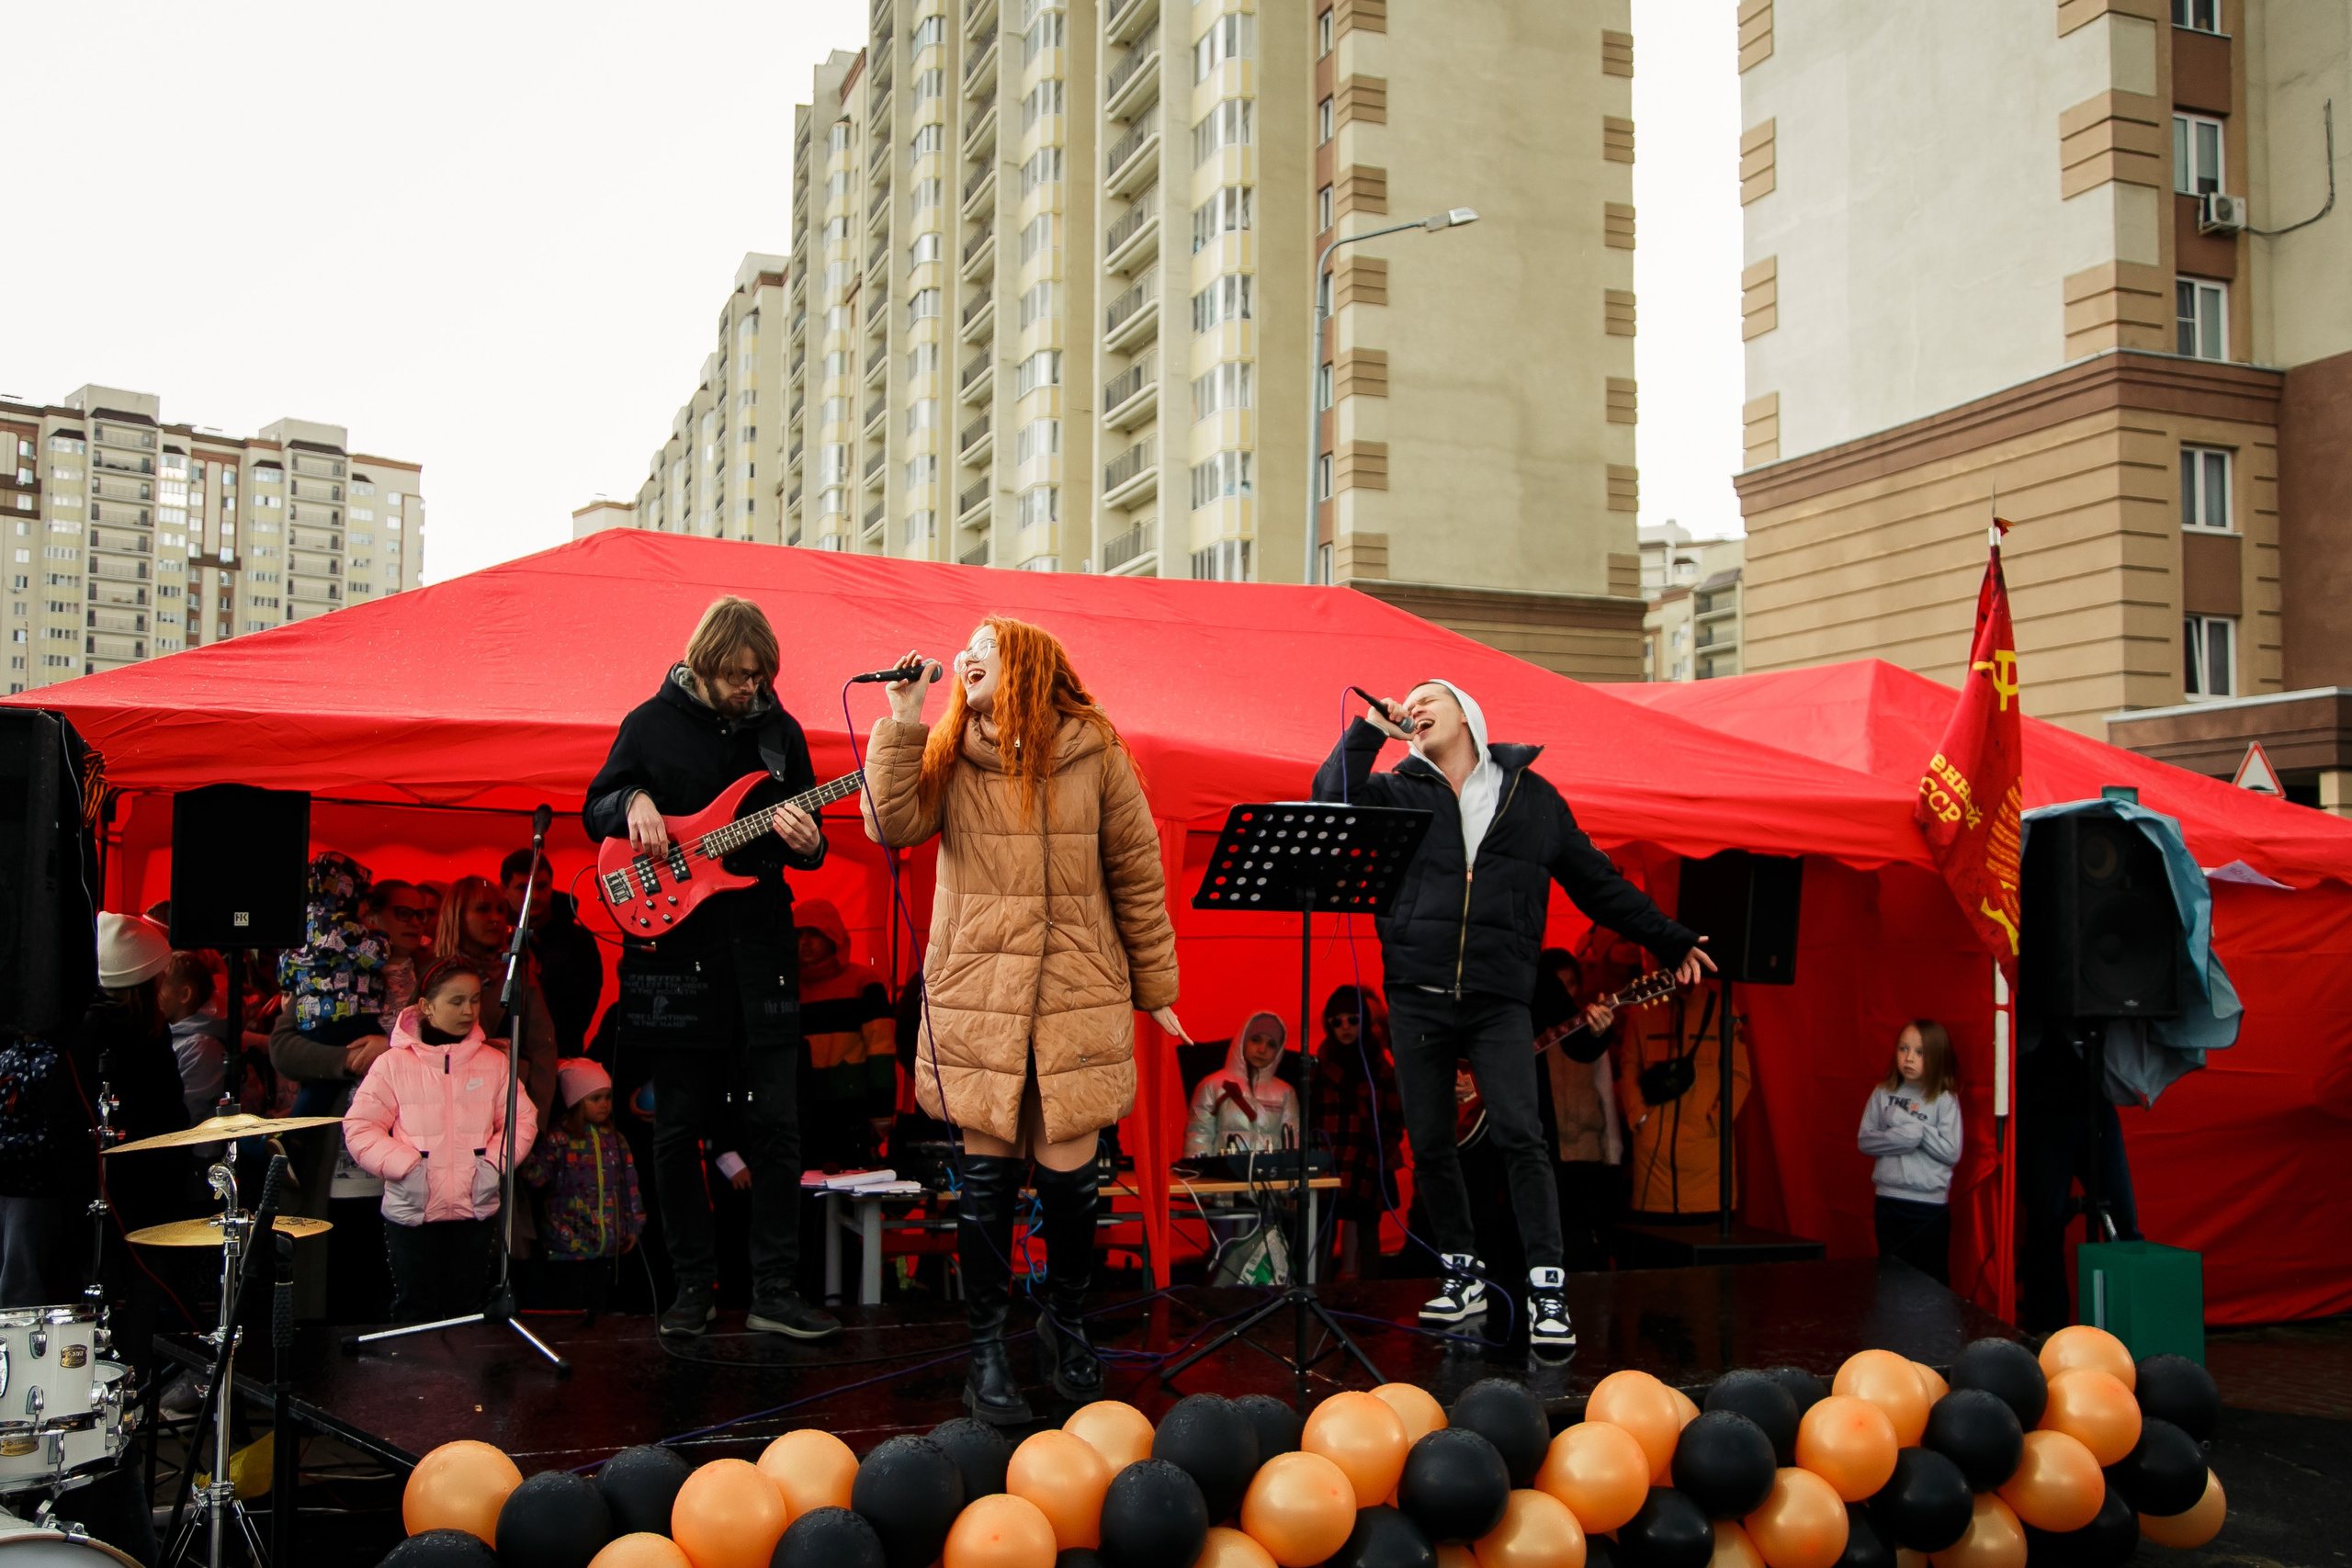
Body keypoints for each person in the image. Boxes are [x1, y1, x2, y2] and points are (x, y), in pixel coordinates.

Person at [1314, 680, 1712, 1352]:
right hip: (1416, 990)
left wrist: (1670, 939)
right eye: (1409, 699)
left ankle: (1547, 1289)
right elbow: (1329, 806)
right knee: (1431, 1142)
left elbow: (1597, 883)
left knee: (1522, 1137)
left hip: (1499, 995)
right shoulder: (1398, 790)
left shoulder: (1532, 797)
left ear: (1468, 713)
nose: (1416, 705)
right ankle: (1461, 1274)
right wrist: (1369, 732)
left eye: (1429, 697)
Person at [862, 617, 1183, 1423]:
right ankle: (985, 1350)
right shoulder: (947, 749)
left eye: (985, 646)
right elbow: (890, 825)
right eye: (965, 646)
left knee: (1073, 1182)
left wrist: (1155, 983)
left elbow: (1136, 870)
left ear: (1029, 664)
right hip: (980, 990)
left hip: (1077, 987)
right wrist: (904, 718)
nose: (965, 655)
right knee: (987, 1183)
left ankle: (1064, 1321)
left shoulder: (1097, 750)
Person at [583, 595, 837, 1341]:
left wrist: (810, 843)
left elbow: (811, 835)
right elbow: (596, 805)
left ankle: (775, 1288)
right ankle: (691, 1287)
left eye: (759, 677)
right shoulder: (648, 724)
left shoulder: (782, 733)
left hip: (762, 950)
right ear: (702, 663)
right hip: (675, 952)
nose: (748, 689)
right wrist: (632, 800)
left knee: (778, 1125)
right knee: (678, 1126)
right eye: (736, 676)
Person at [344, 960, 537, 1323]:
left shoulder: (494, 1063)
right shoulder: (392, 1064)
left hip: (474, 1208)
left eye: (475, 1000)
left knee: (466, 1311)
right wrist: (407, 1167)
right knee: (414, 1311)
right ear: (426, 1006)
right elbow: (360, 1127)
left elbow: (521, 1120)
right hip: (412, 1211)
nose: (469, 1010)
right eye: (456, 1001)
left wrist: (491, 1164)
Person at [519, 1057, 645, 1320]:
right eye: (595, 1098)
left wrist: (633, 1224)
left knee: (598, 1304)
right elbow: (536, 1177)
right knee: (570, 1307)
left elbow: (629, 1185)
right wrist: (524, 1150)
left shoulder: (616, 1139)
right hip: (567, 1244)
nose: (604, 1105)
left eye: (607, 1097)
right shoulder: (559, 1138)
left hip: (605, 1242)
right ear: (576, 1101)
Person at [435, 874, 560, 1136]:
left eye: (501, 910)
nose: (495, 918)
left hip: (506, 1116)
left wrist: (534, 1122)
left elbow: (543, 1048)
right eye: (483, 909)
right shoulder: (432, 972)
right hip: (443, 1114)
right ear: (457, 915)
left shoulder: (518, 974)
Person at [1621, 983, 1751, 1218]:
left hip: (1708, 1175)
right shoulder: (1643, 1009)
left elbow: (1740, 1076)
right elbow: (1629, 1066)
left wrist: (1716, 1122)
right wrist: (1639, 1117)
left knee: (1706, 1239)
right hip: (1653, 1178)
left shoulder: (1723, 1010)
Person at [1535, 948, 1625, 1272]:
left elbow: (1606, 1096)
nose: (1565, 992)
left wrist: (1613, 1156)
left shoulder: (1588, 1032)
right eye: (1558, 985)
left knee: (1584, 1248)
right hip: (1547, 1156)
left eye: (1571, 984)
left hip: (1587, 1156)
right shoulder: (1533, 1036)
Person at [792, 899, 897, 1170]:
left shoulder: (865, 983)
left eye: (814, 933)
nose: (805, 942)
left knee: (852, 1187)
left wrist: (881, 1114)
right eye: (798, 934)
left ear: (833, 936)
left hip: (852, 1113)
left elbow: (881, 1050)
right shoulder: (786, 989)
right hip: (800, 1115)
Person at [1858, 1020, 1962, 1285]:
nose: (1909, 1058)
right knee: (1891, 1275)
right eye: (1903, 1048)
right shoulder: (1883, 1093)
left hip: (1928, 1206)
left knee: (1930, 1278)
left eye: (1920, 1052)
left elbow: (1951, 1152)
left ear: (1937, 1057)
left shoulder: (1943, 1099)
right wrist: (1903, 1138)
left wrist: (1915, 1129)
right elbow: (1866, 1141)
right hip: (1888, 1200)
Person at [1309, 987, 1405, 1280]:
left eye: (1353, 1019)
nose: (1345, 1027)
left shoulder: (1381, 1068)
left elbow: (1395, 1118)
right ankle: (1319, 1297)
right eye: (1337, 1021)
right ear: (1328, 1025)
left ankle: (1371, 1298)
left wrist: (1382, 1150)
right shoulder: (1318, 1068)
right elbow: (1309, 1117)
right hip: (1328, 1162)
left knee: (1367, 1235)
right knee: (1322, 1235)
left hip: (1367, 1162)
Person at [501, 850, 605, 1057]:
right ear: (504, 890)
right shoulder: (494, 939)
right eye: (523, 888)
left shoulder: (578, 941)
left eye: (541, 886)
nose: (534, 896)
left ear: (551, 885)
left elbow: (579, 1013)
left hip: (560, 1055)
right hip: (500, 1056)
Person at [1185, 1012, 1301, 1157]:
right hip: (1223, 1171)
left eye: (1271, 1045)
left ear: (1278, 1051)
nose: (1262, 1049)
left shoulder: (1286, 1092)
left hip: (1270, 1171)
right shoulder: (1212, 1085)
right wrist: (1199, 1169)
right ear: (1242, 1041)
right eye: (1256, 1040)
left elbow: (1293, 1142)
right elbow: (1199, 1135)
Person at [159, 951, 229, 1127]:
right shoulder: (169, 1034)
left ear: (185, 994)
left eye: (161, 985)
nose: (154, 993)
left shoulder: (200, 1048)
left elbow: (186, 1114)